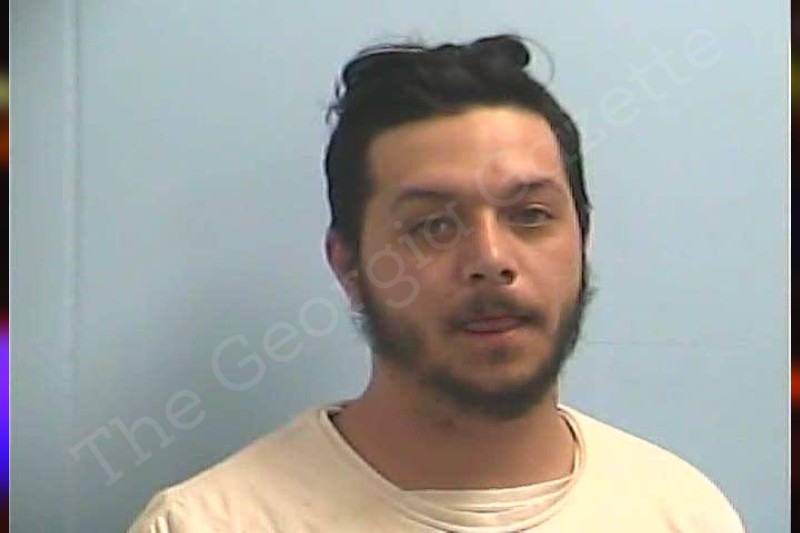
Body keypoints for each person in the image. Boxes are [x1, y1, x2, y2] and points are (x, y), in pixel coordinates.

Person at [128, 34, 745, 532]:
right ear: (349, 266)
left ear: (581, 240)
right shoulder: (208, 523)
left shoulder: (683, 514)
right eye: (432, 226)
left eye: (530, 215)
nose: (490, 259)